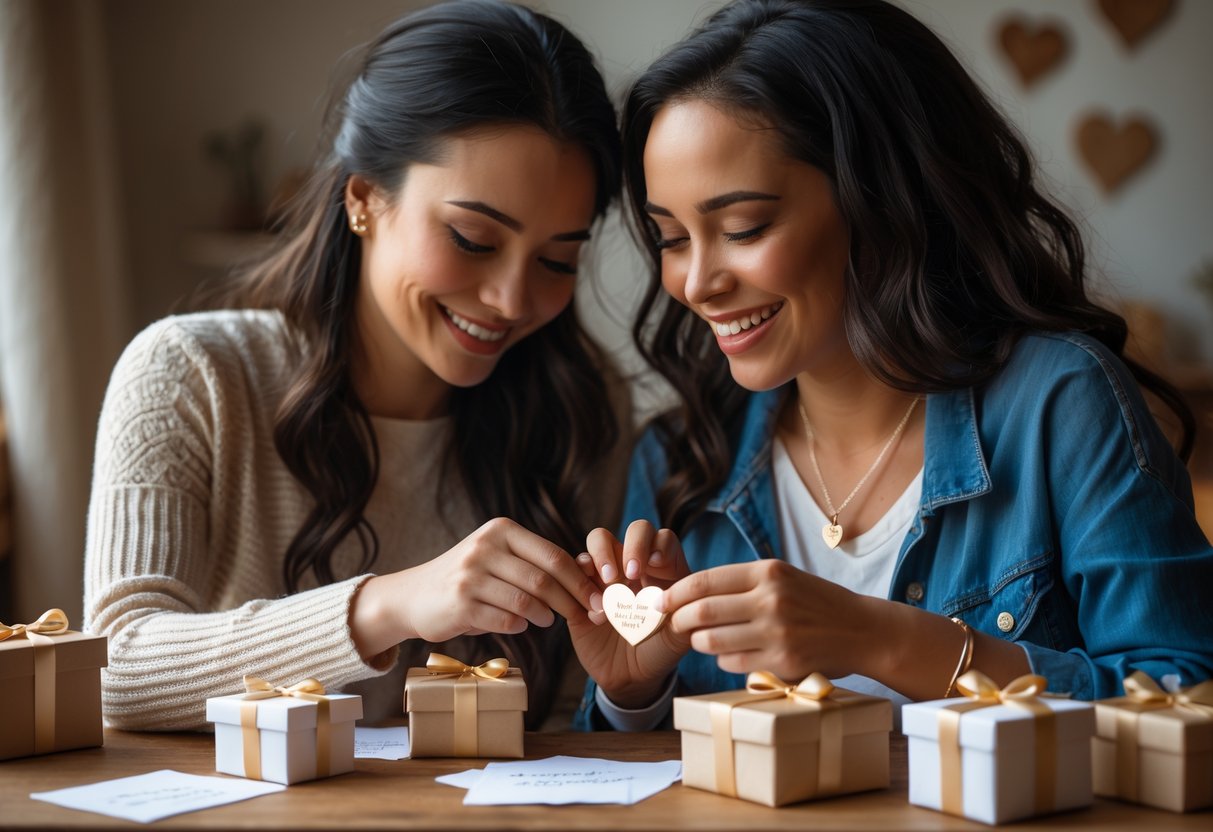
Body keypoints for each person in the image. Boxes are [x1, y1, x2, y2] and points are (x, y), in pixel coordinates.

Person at [572, 0, 1213, 731]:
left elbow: (1182, 697)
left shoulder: (1057, 402)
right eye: (671, 237)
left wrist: (880, 640)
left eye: (742, 227)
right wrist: (631, 691)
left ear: (880, 200)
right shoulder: (681, 457)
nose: (695, 282)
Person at [83, 0, 629, 730]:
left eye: (558, 259)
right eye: (472, 238)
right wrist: (391, 604)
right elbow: (116, 670)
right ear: (364, 199)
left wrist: (629, 680)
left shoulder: (581, 407)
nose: (509, 299)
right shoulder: (191, 373)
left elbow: (570, 719)